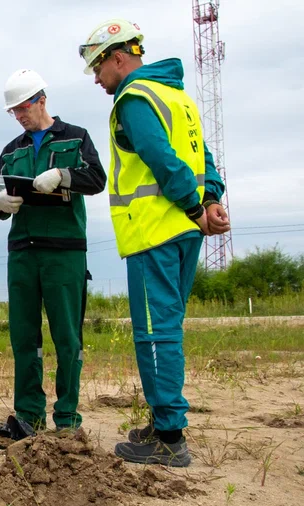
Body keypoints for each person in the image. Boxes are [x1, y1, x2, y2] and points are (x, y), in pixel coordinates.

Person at [79, 19, 230, 466]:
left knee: (154, 333)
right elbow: (203, 155)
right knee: (167, 327)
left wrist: (192, 205)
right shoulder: (177, 97)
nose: (95, 78)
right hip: (184, 233)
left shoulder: (135, 98)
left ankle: (168, 436)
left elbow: (161, 158)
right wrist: (212, 198)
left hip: (155, 232)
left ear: (118, 58)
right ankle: (166, 420)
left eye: (97, 67)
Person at [0, 69, 106, 435]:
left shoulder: (76, 138)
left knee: (67, 336)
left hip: (65, 252)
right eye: (13, 112)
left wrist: (63, 176)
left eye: (23, 108)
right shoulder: (12, 151)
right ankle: (29, 414)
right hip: (22, 252)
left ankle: (68, 418)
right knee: (24, 336)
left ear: (41, 99)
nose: (20, 116)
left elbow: (97, 180)